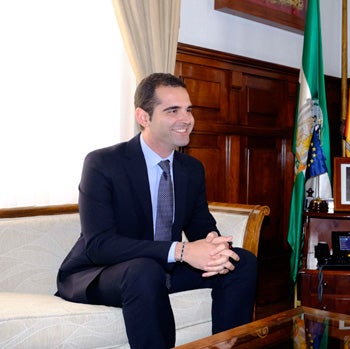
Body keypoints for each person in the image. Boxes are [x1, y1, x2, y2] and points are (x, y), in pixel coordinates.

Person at [56, 73, 257, 348]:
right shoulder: (103, 163)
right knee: (144, 271)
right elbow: (100, 245)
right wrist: (183, 251)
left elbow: (200, 222)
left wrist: (213, 245)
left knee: (240, 262)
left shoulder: (191, 169)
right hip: (102, 271)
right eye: (172, 110)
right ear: (143, 116)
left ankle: (224, 345)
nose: (186, 119)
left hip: (162, 268)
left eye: (188, 110)